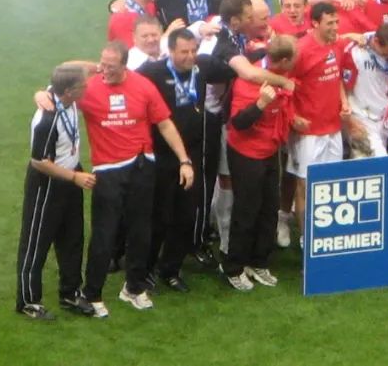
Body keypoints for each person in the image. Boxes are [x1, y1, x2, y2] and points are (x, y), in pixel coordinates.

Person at [74, 42, 195, 317]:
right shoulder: (89, 87)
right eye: (103, 64)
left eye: (111, 66)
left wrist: (184, 160)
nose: (105, 71)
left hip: (142, 166)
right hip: (107, 169)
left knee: (141, 231)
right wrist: (94, 67)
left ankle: (134, 287)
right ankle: (92, 293)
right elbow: (61, 73)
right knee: (104, 233)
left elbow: (164, 123)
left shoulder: (142, 86)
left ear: (124, 65)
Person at [136, 30, 235, 293]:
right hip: (161, 154)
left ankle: (171, 269)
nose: (190, 56)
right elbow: (122, 81)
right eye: (184, 52)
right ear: (170, 51)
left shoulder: (202, 67)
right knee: (159, 216)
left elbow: (237, 70)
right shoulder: (153, 71)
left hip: (192, 154)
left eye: (193, 50)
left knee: (187, 214)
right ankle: (145, 269)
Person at [16, 65, 96, 320]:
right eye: (83, 86)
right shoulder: (46, 121)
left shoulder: (60, 94)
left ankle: (70, 293)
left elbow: (75, 68)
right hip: (47, 184)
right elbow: (39, 162)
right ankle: (28, 301)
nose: (87, 88)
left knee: (72, 238)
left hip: (71, 177)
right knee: (36, 242)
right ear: (70, 91)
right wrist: (74, 177)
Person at [222, 36, 299, 290]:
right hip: (246, 154)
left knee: (269, 209)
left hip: (269, 150)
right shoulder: (248, 82)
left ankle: (259, 262)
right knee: (246, 211)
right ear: (284, 61)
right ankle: (234, 267)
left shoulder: (278, 76)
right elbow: (238, 123)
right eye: (293, 60)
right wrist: (260, 104)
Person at [286, 2, 350, 244]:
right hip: (309, 132)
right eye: (329, 23)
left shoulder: (337, 45)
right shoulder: (301, 51)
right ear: (314, 23)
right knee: (305, 184)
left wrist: (344, 102)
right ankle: (307, 237)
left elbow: (338, 77)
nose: (335, 27)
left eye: (336, 22)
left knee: (331, 184)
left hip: (333, 128)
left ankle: (327, 234)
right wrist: (292, 117)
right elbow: (285, 87)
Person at [342, 23, 388, 157]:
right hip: (361, 119)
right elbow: (341, 86)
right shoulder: (356, 52)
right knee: (379, 162)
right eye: (385, 54)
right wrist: (349, 120)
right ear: (376, 41)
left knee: (370, 165)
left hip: (382, 120)